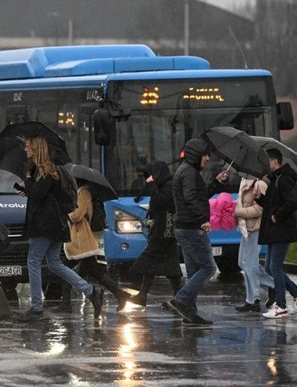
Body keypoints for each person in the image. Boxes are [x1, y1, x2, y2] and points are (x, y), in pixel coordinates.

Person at [17, 136, 103, 320]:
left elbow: (38, 195)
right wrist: (28, 188)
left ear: (35, 148)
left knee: (33, 262)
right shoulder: (50, 171)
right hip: (55, 225)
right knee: (54, 263)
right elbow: (44, 195)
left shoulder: (45, 171)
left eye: (27, 147)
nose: (25, 150)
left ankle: (36, 308)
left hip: (44, 225)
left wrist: (28, 181)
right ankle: (91, 292)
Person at [164, 138, 228, 326]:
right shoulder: (189, 173)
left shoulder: (187, 171)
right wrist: (203, 220)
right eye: (205, 155)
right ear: (195, 155)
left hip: (185, 227)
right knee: (208, 268)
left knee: (193, 272)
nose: (208, 158)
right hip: (191, 228)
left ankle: (190, 314)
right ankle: (180, 300)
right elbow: (191, 198)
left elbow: (200, 196)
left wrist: (216, 183)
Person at [59, 179, 131, 313]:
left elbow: (76, 216)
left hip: (82, 239)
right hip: (80, 238)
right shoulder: (79, 192)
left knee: (63, 267)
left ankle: (67, 303)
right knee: (94, 270)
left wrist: (64, 209)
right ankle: (119, 294)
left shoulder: (84, 193)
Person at [256, 148, 297, 319]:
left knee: (274, 267)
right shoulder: (275, 180)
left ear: (275, 161)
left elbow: (292, 202)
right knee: (270, 268)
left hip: (281, 230)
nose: (265, 164)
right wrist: (259, 198)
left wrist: (276, 217)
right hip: (275, 231)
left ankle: (281, 305)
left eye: (267, 160)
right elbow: (273, 203)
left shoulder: (284, 179)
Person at [129, 161, 183, 307]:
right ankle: (177, 297)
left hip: (164, 231)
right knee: (167, 264)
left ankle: (179, 297)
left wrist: (152, 186)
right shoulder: (163, 186)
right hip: (162, 230)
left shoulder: (169, 186)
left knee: (151, 260)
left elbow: (162, 202)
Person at [232, 177, 274, 313]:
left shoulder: (259, 184)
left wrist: (238, 212)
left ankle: (253, 300)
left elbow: (261, 209)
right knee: (243, 263)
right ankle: (275, 283)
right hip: (246, 230)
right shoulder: (245, 184)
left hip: (256, 229)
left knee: (249, 263)